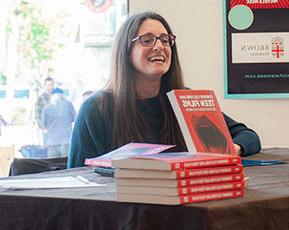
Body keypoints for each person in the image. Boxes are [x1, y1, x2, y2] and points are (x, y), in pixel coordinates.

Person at [67, 12, 261, 168]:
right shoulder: (95, 109)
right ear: (125, 51)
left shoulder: (186, 100)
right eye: (147, 40)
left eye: (165, 40)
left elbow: (249, 136)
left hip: (184, 206)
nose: (159, 47)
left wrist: (233, 148)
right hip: (121, 210)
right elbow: (76, 178)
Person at [41, 88, 76, 158]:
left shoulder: (47, 108)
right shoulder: (68, 104)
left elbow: (43, 125)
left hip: (52, 142)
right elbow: (74, 118)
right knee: (65, 163)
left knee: (52, 164)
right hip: (66, 141)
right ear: (63, 95)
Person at [35, 77, 54, 145]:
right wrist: (43, 128)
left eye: (51, 84)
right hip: (47, 128)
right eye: (48, 85)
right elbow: (37, 114)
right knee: (48, 148)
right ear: (45, 86)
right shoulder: (41, 98)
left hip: (56, 128)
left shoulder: (56, 96)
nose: (50, 86)